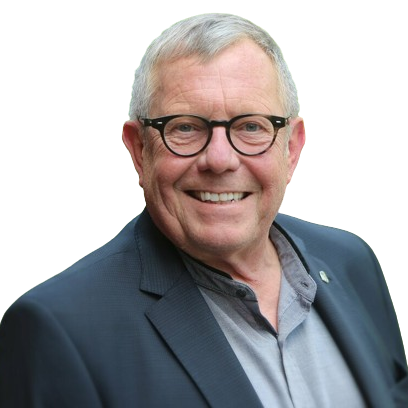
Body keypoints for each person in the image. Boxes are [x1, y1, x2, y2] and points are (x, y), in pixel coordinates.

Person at [0, 13, 406, 408]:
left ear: (292, 149)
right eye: (185, 127)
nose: (220, 159)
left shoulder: (352, 261)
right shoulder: (59, 327)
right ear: (139, 150)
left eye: (251, 126)